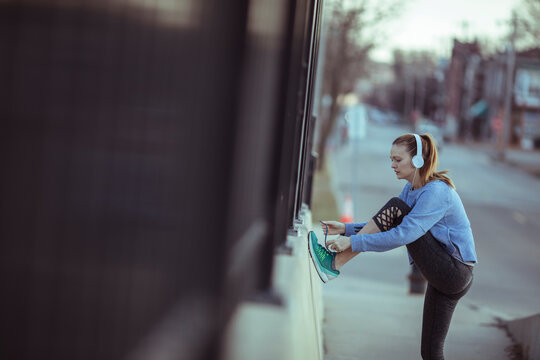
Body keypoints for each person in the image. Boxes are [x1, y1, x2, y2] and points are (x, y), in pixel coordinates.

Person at [308, 133, 477, 360]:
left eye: (398, 159)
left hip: (454, 272)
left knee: (396, 207)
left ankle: (334, 262)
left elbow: (402, 235)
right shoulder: (411, 189)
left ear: (418, 160)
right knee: (430, 352)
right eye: (391, 159)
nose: (392, 165)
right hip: (446, 273)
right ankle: (333, 263)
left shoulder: (437, 192)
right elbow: (386, 224)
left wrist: (353, 241)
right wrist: (346, 229)